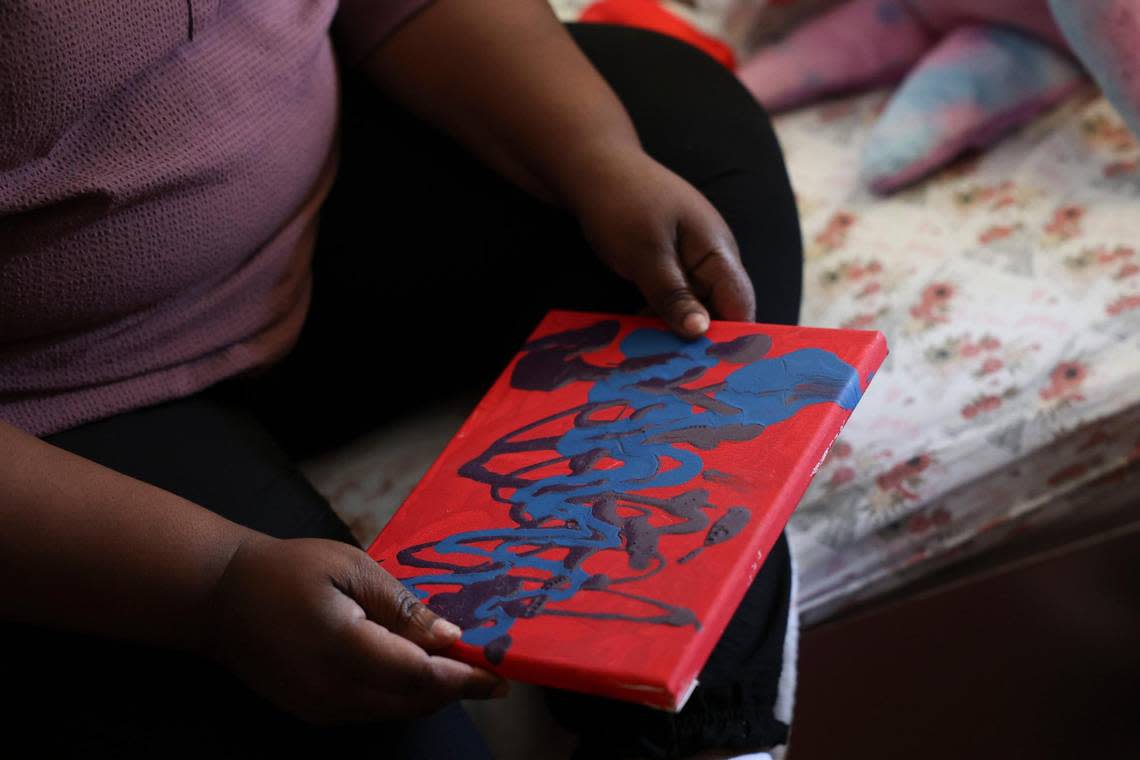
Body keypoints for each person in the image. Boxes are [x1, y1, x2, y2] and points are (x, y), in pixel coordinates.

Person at [0, 2, 802, 757]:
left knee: (685, 145)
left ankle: (704, 731)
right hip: (59, 401)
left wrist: (597, 156)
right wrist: (218, 586)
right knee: (368, 696)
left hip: (329, 213)